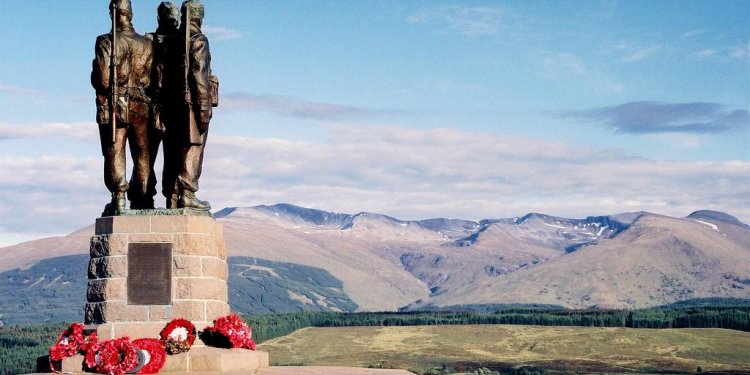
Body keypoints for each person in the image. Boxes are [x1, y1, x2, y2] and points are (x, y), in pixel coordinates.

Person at [92, 0, 154, 212]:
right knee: (142, 152)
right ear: (130, 15)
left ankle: (119, 196)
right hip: (141, 105)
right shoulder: (147, 44)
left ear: (113, 14)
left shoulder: (106, 41)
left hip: (116, 105)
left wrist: (94, 71)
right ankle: (143, 197)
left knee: (115, 149)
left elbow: (102, 80)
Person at [177, 0, 218, 210]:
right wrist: (203, 106)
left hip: (170, 105)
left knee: (176, 150)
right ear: (199, 18)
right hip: (191, 104)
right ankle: (188, 193)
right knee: (194, 146)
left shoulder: (171, 40)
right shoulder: (198, 39)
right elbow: (198, 73)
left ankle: (175, 194)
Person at [145, 2, 182, 208]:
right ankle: (146, 196)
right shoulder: (148, 41)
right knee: (148, 155)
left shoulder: (181, 41)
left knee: (168, 154)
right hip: (156, 105)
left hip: (169, 106)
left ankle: (170, 196)